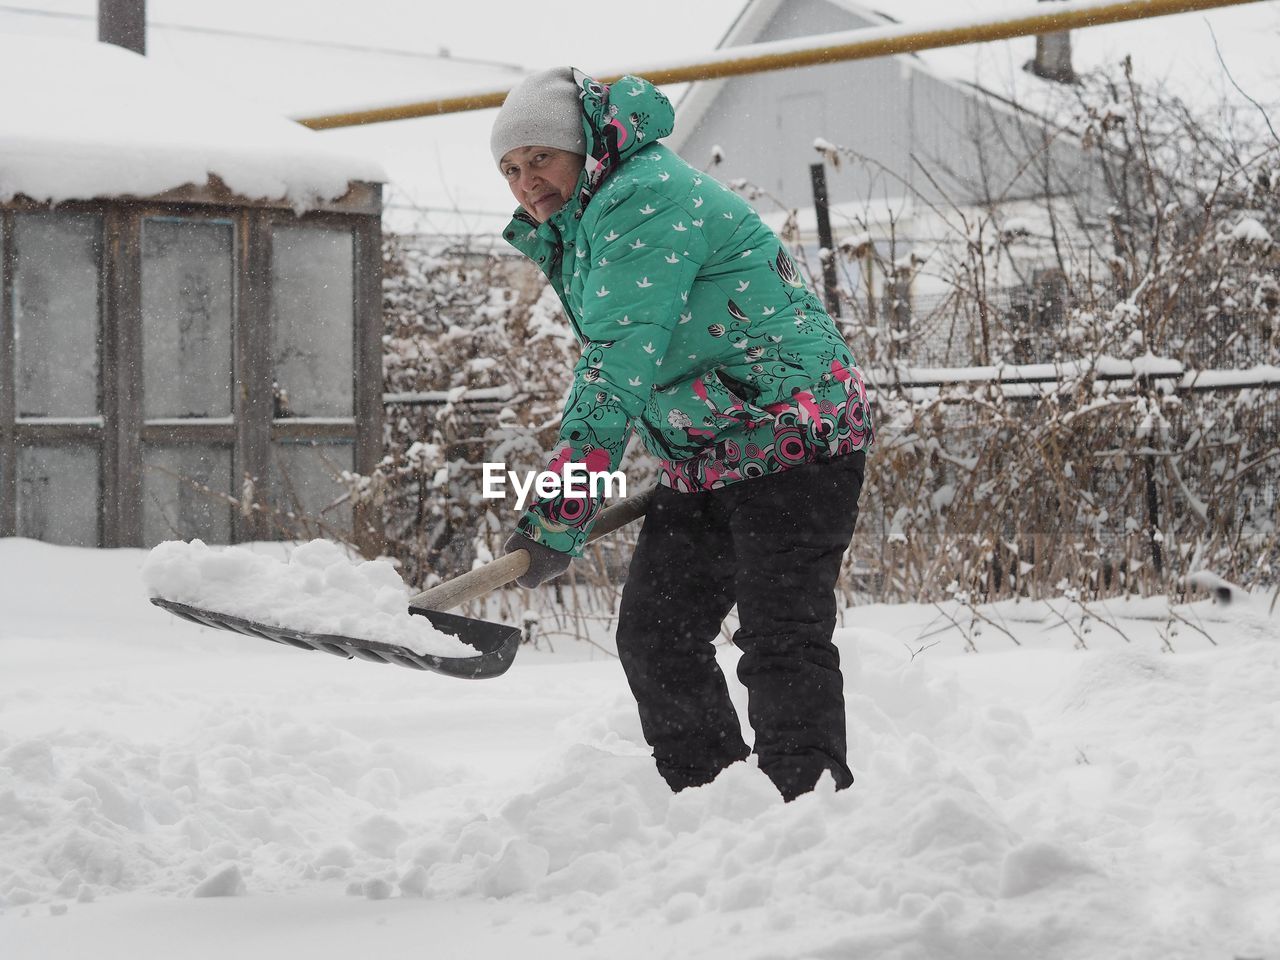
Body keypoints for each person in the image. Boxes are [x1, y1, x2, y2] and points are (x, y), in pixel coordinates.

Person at [492, 67, 874, 802]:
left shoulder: (641, 200)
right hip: (706, 459)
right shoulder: (590, 217)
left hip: (795, 437)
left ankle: (807, 819)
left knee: (779, 636)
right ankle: (714, 808)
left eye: (540, 156)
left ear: (584, 146)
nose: (525, 180)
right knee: (656, 636)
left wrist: (556, 513)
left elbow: (616, 370)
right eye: (510, 168)